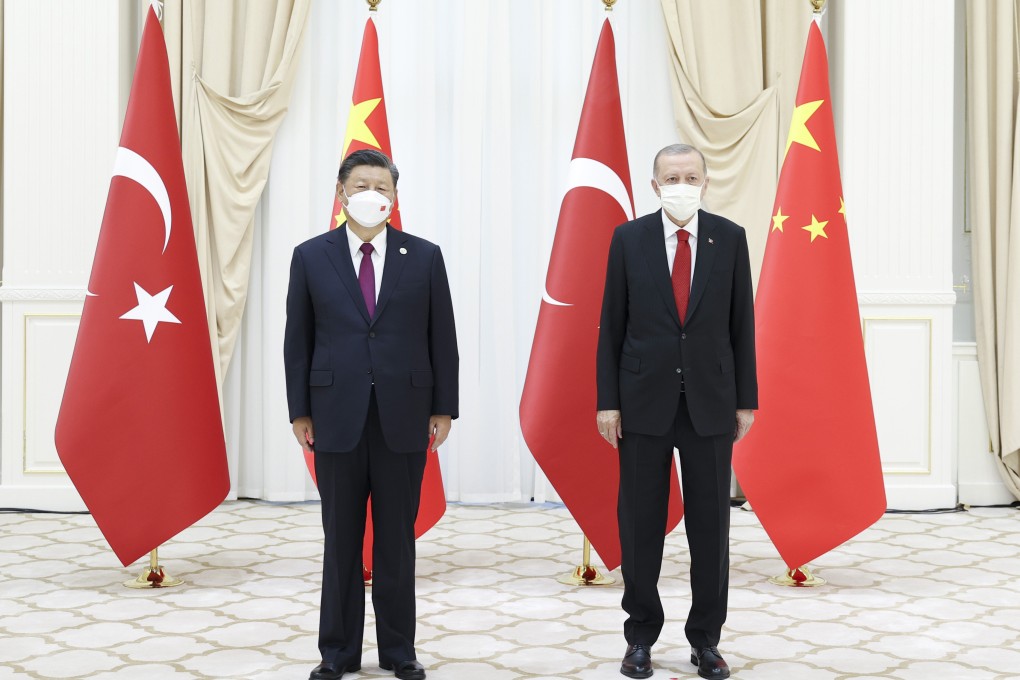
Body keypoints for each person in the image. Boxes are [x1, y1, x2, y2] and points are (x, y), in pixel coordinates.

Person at [284, 149, 459, 680]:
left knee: (396, 542)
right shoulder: (311, 256)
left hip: (404, 417)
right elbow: (299, 339)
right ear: (341, 193)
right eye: (361, 185)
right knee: (340, 540)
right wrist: (300, 411)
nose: (371, 195)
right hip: (334, 416)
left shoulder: (423, 256)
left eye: (382, 187)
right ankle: (336, 652)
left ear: (395, 197)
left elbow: (442, 338)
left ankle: (398, 651)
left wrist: (443, 407)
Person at [596, 144, 757, 680]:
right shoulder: (628, 239)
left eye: (691, 176)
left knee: (709, 529)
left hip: (711, 404)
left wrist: (746, 399)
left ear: (706, 183)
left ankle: (706, 640)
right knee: (640, 524)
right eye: (672, 177)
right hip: (642, 403)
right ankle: (640, 635)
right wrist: (607, 402)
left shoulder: (730, 239)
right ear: (655, 184)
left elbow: (742, 327)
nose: (681, 184)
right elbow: (611, 327)